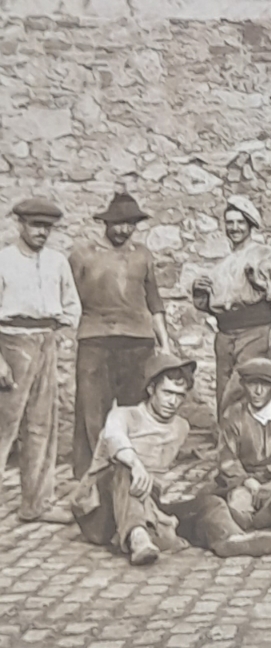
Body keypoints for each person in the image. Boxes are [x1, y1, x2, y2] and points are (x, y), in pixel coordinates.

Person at [72, 351, 271, 564]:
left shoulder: (180, 427)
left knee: (209, 503)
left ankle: (230, 538)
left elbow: (214, 450)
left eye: (179, 395)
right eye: (167, 393)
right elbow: (115, 440)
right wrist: (136, 465)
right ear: (151, 389)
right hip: (100, 510)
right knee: (123, 471)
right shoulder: (125, 415)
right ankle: (139, 537)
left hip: (149, 503)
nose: (173, 401)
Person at [69, 191, 170, 480]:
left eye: (131, 224)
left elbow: (155, 302)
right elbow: (66, 296)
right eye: (119, 223)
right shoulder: (83, 254)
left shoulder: (142, 255)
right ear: (106, 223)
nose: (124, 230)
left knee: (134, 410)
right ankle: (88, 481)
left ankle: (130, 474)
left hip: (138, 343)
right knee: (91, 412)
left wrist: (164, 342)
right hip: (95, 341)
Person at [0, 197, 81, 524]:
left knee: (41, 427)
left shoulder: (57, 262)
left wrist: (57, 333)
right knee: (4, 427)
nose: (41, 233)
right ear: (20, 224)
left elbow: (71, 304)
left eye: (47, 227)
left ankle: (36, 503)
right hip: (10, 343)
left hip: (46, 342)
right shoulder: (4, 260)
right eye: (35, 226)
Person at [191, 195, 271, 412]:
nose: (235, 228)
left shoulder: (266, 255)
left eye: (240, 222)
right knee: (224, 391)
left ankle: (251, 441)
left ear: (250, 225)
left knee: (246, 388)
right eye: (230, 223)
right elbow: (215, 305)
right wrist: (200, 293)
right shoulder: (223, 264)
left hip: (254, 332)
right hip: (225, 335)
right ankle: (227, 442)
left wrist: (263, 285)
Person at [214, 356, 271, 531]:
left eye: (264, 385)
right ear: (243, 384)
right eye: (251, 384)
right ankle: (253, 519)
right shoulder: (233, 414)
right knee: (239, 502)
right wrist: (250, 483)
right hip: (246, 481)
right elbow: (227, 459)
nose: (257, 391)